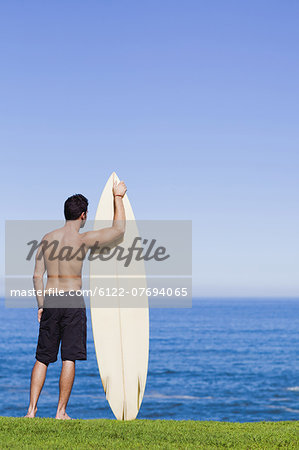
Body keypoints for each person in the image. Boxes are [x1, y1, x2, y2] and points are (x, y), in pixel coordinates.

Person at [25, 180, 127, 419]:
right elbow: (119, 230)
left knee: (42, 358)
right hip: (72, 302)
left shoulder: (46, 239)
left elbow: (36, 276)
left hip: (50, 300)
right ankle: (60, 412)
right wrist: (118, 197)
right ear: (83, 215)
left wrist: (41, 305)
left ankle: (31, 411)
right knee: (68, 357)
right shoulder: (82, 240)